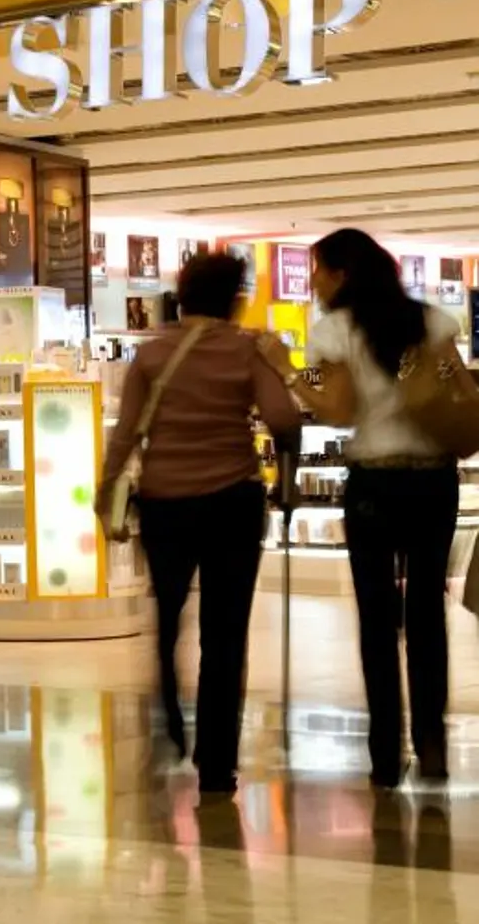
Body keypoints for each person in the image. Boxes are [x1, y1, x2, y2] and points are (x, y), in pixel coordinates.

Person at [257, 228, 470, 787]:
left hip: (374, 484)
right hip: (433, 482)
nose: (315, 282)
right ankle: (432, 743)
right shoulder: (430, 321)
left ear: (342, 274)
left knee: (378, 620)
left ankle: (384, 755)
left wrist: (287, 369)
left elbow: (338, 409)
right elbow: (459, 391)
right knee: (426, 614)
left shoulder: (334, 330)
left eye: (318, 270)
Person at [96, 253, 300, 797]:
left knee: (169, 612)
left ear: (181, 295)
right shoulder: (248, 348)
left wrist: (106, 493)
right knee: (225, 633)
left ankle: (167, 698)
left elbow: (126, 434)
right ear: (234, 297)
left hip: (165, 500)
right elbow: (282, 418)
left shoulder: (151, 352)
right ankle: (216, 763)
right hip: (232, 499)